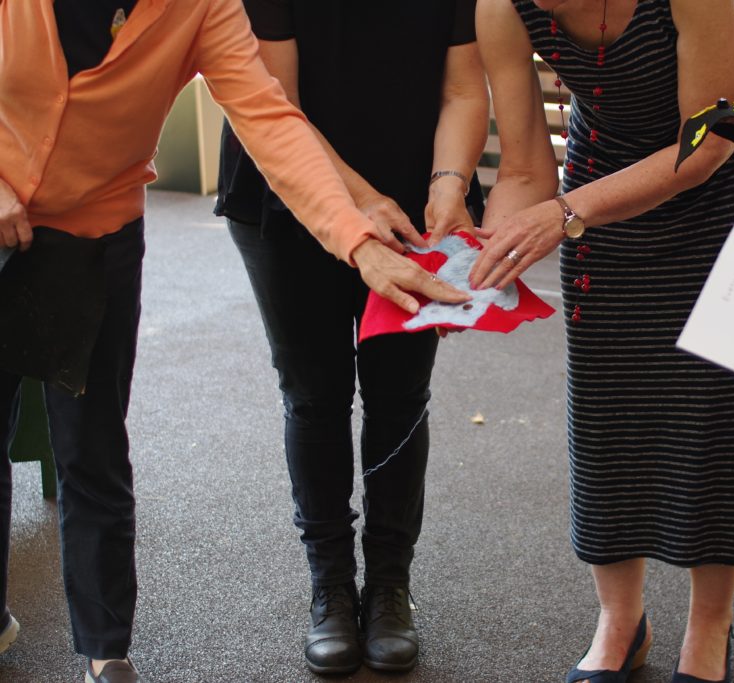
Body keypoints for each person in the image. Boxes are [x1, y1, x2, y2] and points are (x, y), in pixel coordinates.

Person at [0, 2, 467, 681]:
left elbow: (271, 118)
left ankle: (107, 653)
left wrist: (358, 241)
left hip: (96, 231)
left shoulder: (200, 7)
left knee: (92, 447)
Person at [470, 1, 734, 680]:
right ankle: (620, 621)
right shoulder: (502, 6)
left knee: (718, 414)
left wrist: (566, 212)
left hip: (730, 185)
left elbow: (708, 143)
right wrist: (482, 256)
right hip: (604, 188)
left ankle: (710, 624)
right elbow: (525, 171)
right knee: (608, 409)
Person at [215, 0, 487, 675]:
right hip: (288, 194)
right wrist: (359, 206)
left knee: (400, 394)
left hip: (413, 190)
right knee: (315, 394)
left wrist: (448, 184)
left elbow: (462, 87)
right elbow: (279, 107)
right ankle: (331, 585)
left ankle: (390, 585)